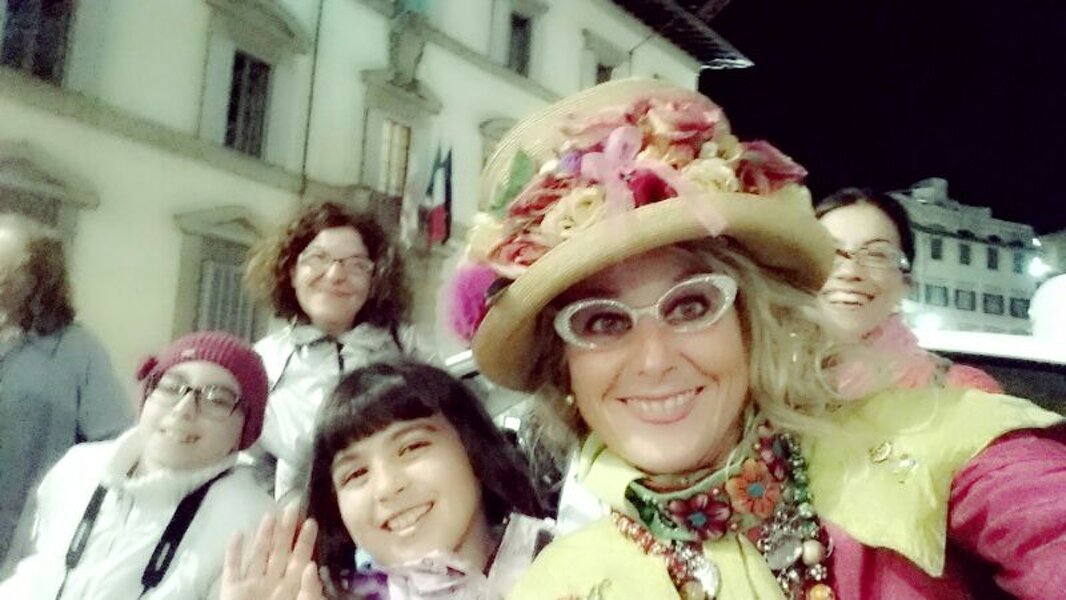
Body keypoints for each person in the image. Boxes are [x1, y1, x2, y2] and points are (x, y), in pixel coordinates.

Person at [448, 79, 1066, 599]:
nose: (654, 360)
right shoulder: (561, 586)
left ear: (751, 323)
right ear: (566, 371)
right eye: (602, 323)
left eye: (692, 305)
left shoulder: (918, 443)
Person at [222, 361, 549, 600]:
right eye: (356, 474)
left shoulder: (567, 563)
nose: (387, 487)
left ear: (474, 448)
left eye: (412, 447)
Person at [0, 331, 275, 599]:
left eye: (216, 399)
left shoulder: (253, 522)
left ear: (245, 429)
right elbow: (34, 573)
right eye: (171, 387)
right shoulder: (77, 468)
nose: (184, 409)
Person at [245, 202, 431, 500]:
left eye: (356, 264)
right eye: (318, 258)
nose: (334, 275)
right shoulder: (262, 363)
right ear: (292, 272)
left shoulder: (410, 349)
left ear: (375, 279)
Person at [0, 213, 133, 572]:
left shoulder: (78, 352)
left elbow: (113, 448)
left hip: (20, 552)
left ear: (39, 278)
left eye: (8, 268)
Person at [815, 188, 1001, 395]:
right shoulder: (785, 389)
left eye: (877, 255)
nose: (850, 272)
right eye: (827, 251)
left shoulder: (963, 392)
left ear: (905, 282)